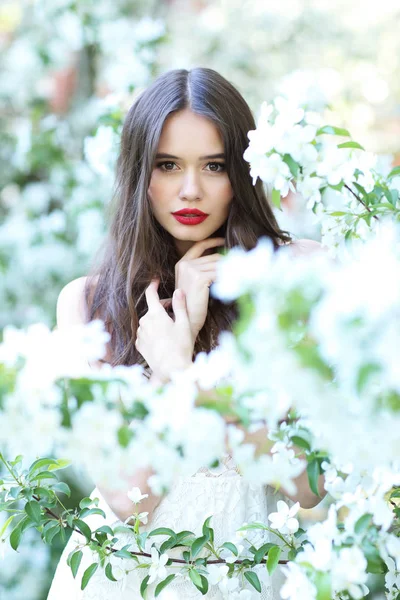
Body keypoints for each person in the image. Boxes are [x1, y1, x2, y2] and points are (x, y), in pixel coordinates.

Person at [47, 67, 326, 599]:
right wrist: (168, 371)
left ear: (242, 172)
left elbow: (308, 487)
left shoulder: (296, 275)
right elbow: (128, 503)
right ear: (139, 172)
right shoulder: (87, 303)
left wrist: (189, 376)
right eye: (168, 165)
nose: (190, 189)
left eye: (214, 166)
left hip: (245, 576)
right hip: (122, 581)